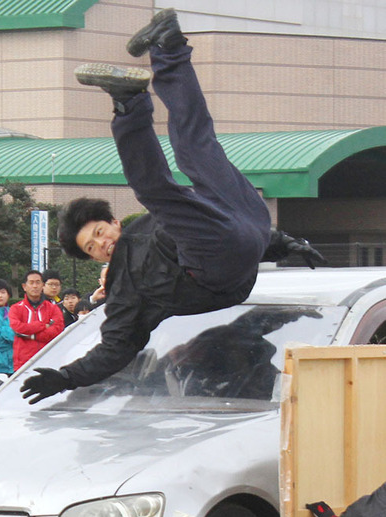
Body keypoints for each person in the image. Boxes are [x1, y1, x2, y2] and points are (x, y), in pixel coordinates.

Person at [22, 9, 324, 403]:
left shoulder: (148, 225)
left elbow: (215, 225)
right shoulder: (126, 290)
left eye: (99, 234)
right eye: (92, 249)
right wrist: (65, 377)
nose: (103, 246)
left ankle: (169, 46)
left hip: (245, 215)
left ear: (113, 222)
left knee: (196, 147)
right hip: (218, 268)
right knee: (161, 192)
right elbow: (116, 348)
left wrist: (282, 243)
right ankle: (131, 104)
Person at [8, 270, 64, 371]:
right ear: (24, 286)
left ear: (42, 285)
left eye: (38, 282)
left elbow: (58, 329)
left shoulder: (53, 308)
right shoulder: (16, 308)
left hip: (49, 361)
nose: (35, 286)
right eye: (31, 282)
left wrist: (34, 336)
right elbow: (17, 329)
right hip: (23, 364)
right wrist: (42, 325)